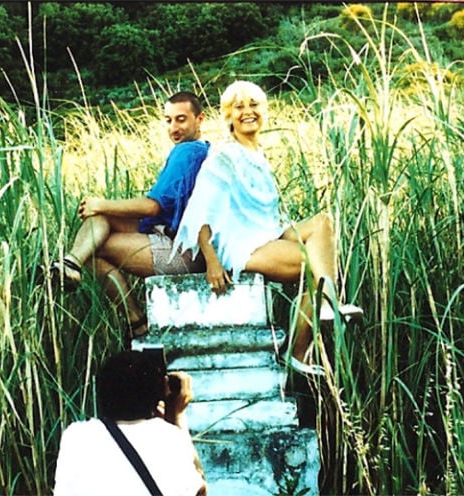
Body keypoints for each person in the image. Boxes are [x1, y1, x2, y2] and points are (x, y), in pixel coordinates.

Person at [170, 81, 362, 376]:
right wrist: (211, 261)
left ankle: (322, 310)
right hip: (241, 246)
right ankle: (301, 347)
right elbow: (199, 213)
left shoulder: (257, 155)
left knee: (323, 224)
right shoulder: (225, 155)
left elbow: (266, 215)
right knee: (316, 267)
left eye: (254, 104)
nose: (248, 111)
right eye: (239, 106)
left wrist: (298, 233)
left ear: (265, 111)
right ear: (228, 116)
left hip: (265, 234)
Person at [48, 92, 210, 341]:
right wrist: (102, 209)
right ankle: (69, 264)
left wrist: (101, 203)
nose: (173, 128)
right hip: (175, 237)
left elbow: (153, 207)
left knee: (92, 249)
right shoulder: (200, 150)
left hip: (184, 251)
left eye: (181, 120)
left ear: (200, 119)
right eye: (168, 120)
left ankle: (137, 321)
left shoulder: (187, 152)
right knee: (97, 224)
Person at [53, 351, 207, 495]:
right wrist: (176, 416)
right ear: (157, 393)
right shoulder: (170, 436)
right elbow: (200, 491)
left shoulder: (76, 436)